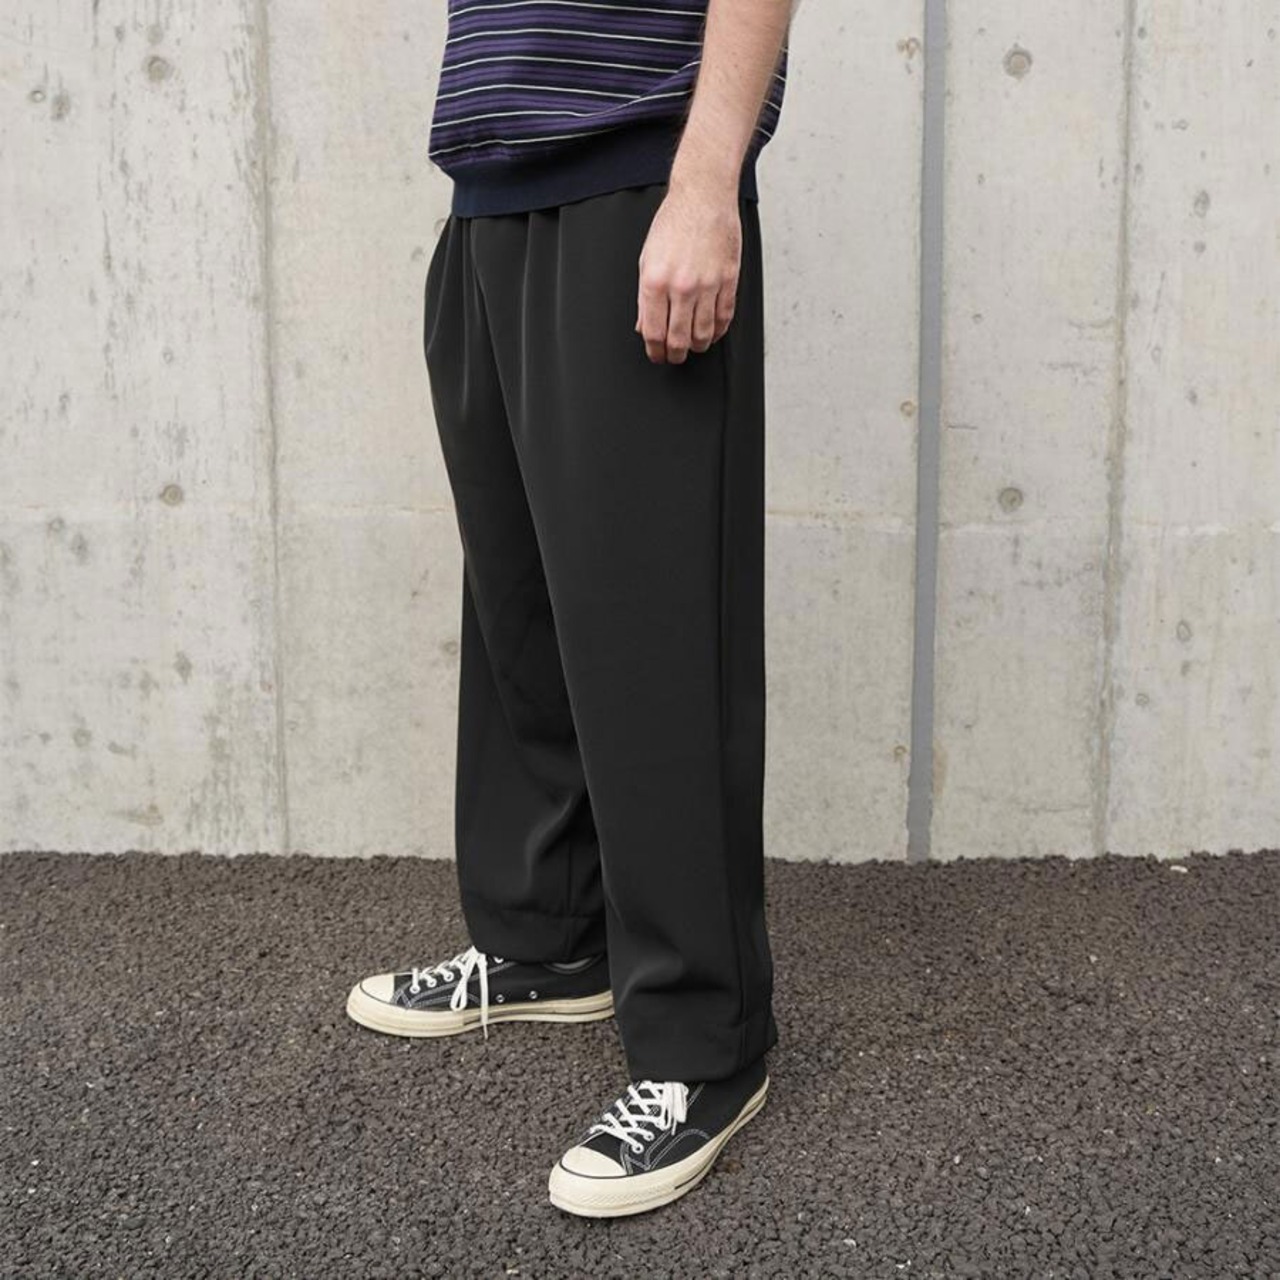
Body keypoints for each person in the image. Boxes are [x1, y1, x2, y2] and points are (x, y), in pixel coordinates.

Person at [346, 0, 796, 1218]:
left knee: (653, 631)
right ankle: (547, 938)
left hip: (634, 178)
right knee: (522, 605)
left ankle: (705, 1045)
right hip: (489, 183)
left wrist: (704, 185)